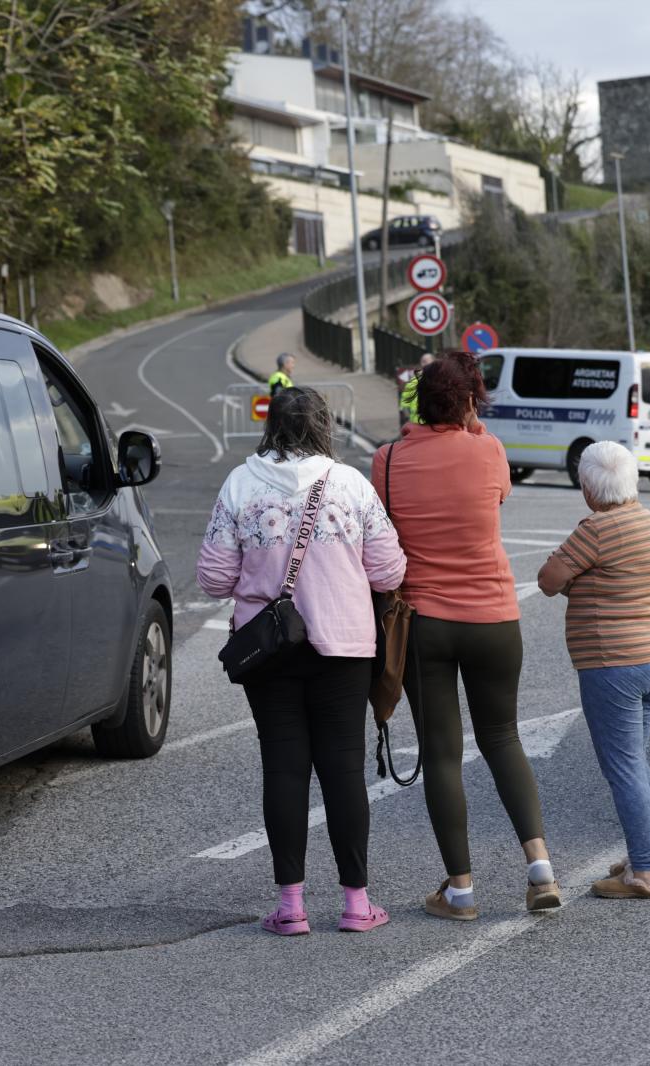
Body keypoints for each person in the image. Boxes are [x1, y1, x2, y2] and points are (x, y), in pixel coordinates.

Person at [198, 387, 406, 935]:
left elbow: (214, 577)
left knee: (284, 769)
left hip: (269, 651)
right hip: (343, 648)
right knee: (344, 771)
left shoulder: (240, 484)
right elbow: (388, 572)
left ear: (271, 426)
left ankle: (291, 906)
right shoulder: (351, 484)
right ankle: (356, 904)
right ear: (324, 427)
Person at [371, 350, 560, 920]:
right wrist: (473, 425)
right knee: (503, 737)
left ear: (419, 403)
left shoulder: (386, 461)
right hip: (496, 619)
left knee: (443, 755)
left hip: (426, 623)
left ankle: (461, 890)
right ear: (471, 401)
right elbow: (496, 494)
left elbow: (380, 536)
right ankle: (540, 868)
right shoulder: (490, 452)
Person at [538, 441, 650, 900]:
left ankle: (645, 875)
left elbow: (549, 579)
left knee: (626, 766)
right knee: (635, 761)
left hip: (614, 662)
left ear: (588, 489)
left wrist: (578, 577)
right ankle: (644, 856)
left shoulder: (596, 529)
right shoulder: (647, 519)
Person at [397, 352, 435, 426]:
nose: (424, 364)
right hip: (416, 424)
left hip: (433, 424)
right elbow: (404, 404)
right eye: (422, 362)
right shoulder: (413, 382)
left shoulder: (440, 380)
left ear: (434, 363)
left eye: (426, 362)